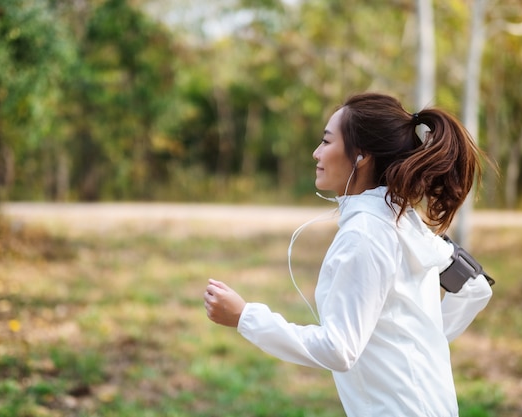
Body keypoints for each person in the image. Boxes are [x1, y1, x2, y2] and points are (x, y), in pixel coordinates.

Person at [203, 92, 493, 417]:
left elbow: (338, 349)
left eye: (326, 142)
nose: (316, 153)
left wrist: (245, 317)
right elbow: (474, 286)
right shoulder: (403, 218)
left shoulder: (365, 233)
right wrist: (420, 345)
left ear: (361, 155)